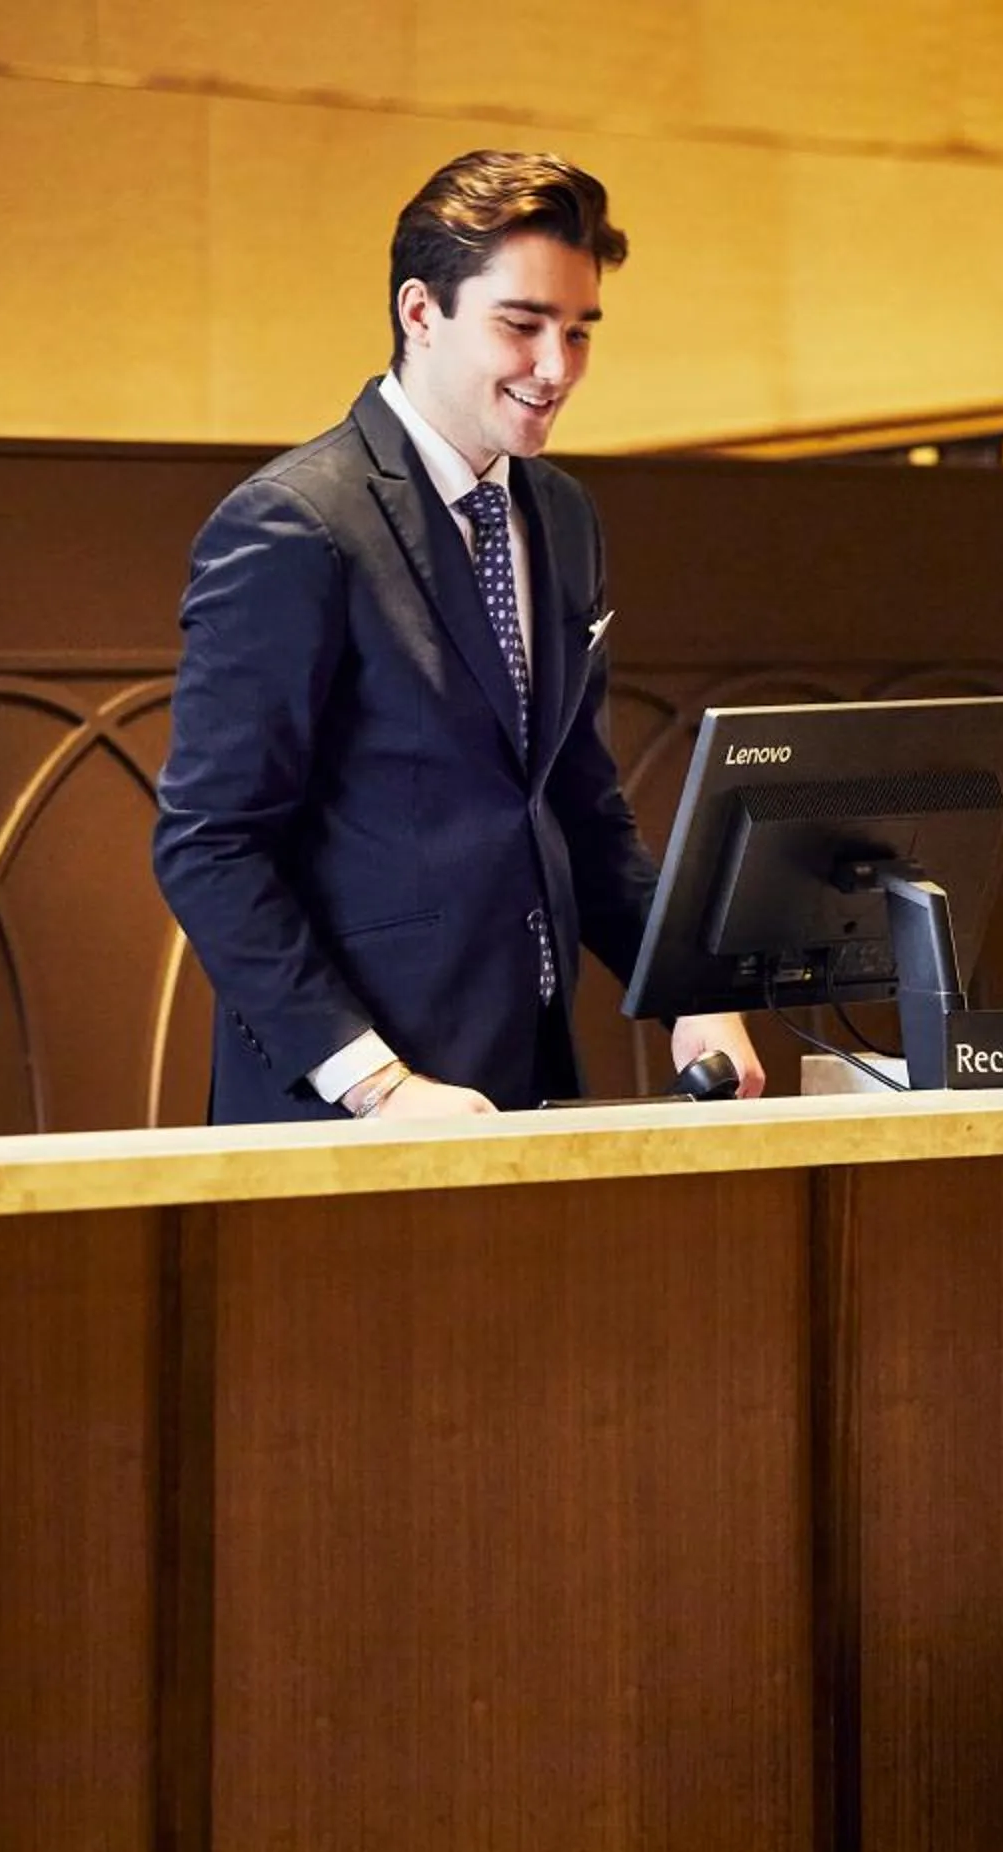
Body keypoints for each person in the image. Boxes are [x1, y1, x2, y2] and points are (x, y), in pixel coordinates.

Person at [154, 151, 760, 1123]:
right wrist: (379, 1085)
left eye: (578, 330)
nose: (557, 367)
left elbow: (582, 809)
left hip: (529, 1078)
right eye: (522, 325)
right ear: (420, 312)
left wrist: (690, 986)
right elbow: (210, 846)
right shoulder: (293, 522)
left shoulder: (564, 515)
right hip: (350, 1109)